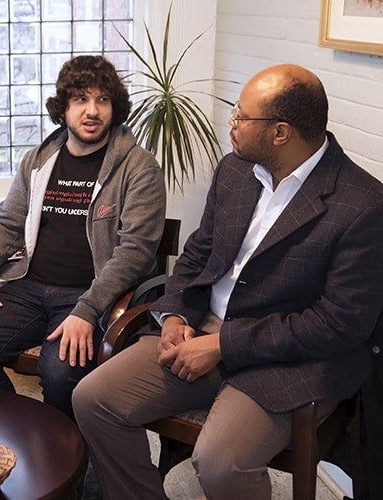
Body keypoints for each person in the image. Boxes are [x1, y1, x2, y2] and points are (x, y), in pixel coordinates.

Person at [72, 64, 383, 499]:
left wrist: (222, 345)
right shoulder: (236, 171)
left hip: (282, 362)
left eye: (241, 117)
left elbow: (338, 324)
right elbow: (199, 252)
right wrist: (176, 313)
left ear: (280, 132)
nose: (231, 124)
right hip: (199, 329)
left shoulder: (362, 205)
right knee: (93, 398)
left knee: (220, 462)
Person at [0, 55, 166, 418]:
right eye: (80, 99)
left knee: (61, 374)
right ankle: (24, 434)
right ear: (63, 108)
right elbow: (6, 222)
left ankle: (71, 462)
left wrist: (88, 309)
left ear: (115, 107)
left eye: (102, 100)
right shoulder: (39, 160)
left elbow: (136, 252)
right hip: (29, 286)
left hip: (89, 294)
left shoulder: (138, 166)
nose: (92, 111)